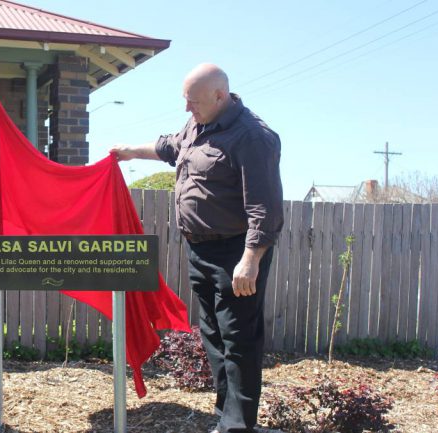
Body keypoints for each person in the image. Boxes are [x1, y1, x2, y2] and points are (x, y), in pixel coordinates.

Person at [110, 63, 283, 433]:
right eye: (185, 102)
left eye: (193, 102)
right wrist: (129, 152)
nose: (187, 109)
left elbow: (265, 209)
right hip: (200, 251)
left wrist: (250, 261)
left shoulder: (253, 137)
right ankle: (226, 415)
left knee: (239, 339)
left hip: (235, 253)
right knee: (214, 335)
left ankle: (238, 426)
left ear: (220, 96)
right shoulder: (198, 125)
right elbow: (169, 146)